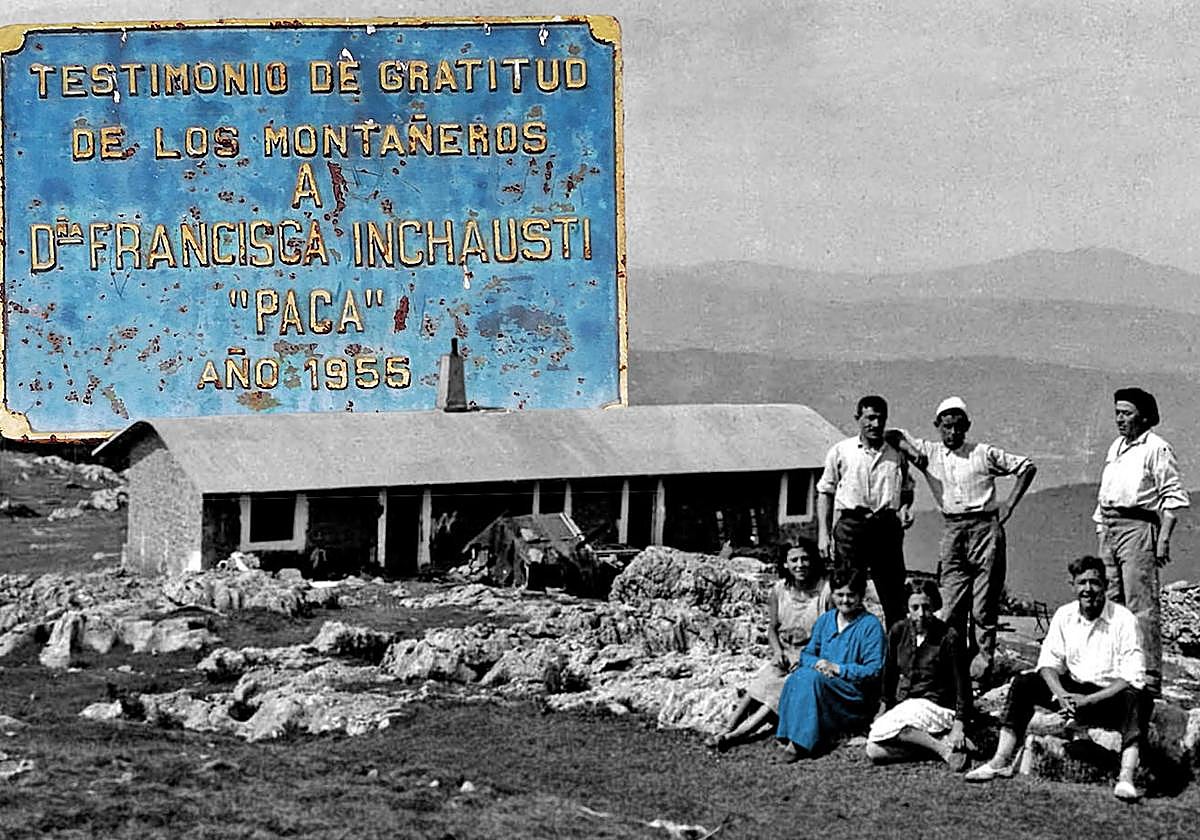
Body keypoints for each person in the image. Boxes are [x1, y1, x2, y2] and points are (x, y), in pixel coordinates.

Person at [965, 555, 1149, 801]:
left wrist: (1089, 700)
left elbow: (1131, 676)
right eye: (1082, 583)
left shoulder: (1124, 619)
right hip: (1072, 694)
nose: (1088, 589)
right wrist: (1061, 694)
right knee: (1023, 683)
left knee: (1138, 697)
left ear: (1105, 585)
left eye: (1094, 582)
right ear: (1072, 585)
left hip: (1110, 697)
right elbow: (1048, 664)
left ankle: (1126, 777)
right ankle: (999, 761)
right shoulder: (1065, 615)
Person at [893, 396, 1037, 685]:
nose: (952, 433)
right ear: (938, 426)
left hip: (985, 528)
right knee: (951, 603)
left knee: (984, 604)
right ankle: (951, 663)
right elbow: (893, 434)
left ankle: (982, 667)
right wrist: (911, 453)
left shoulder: (983, 453)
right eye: (946, 427)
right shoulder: (930, 453)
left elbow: (1026, 467)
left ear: (967, 426)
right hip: (952, 528)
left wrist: (1009, 503)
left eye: (958, 427)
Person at [1093, 387, 1188, 696]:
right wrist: (1100, 528)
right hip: (1110, 526)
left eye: (1126, 413)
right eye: (1117, 413)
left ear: (1144, 417)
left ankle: (1148, 677)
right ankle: (1116, 671)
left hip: (1138, 525)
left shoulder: (1156, 448)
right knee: (1110, 600)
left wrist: (1163, 540)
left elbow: (1172, 495)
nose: (1120, 419)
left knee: (1140, 603)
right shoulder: (1117, 446)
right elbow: (1106, 491)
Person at [711, 540, 830, 750]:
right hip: (784, 652)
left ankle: (736, 736)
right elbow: (772, 628)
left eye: (805, 559)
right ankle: (726, 728)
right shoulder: (779, 590)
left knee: (776, 695)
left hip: (809, 657)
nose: (800, 565)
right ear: (785, 564)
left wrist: (804, 658)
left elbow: (828, 636)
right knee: (759, 685)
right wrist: (777, 652)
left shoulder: (824, 592)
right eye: (794, 560)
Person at [816, 395, 914, 628]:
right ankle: (844, 644)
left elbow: (907, 487)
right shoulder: (842, 451)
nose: (875, 424)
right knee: (847, 590)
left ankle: (894, 655)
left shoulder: (896, 453)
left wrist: (906, 507)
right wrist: (823, 534)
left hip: (886, 526)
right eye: (869, 418)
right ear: (858, 419)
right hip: (851, 527)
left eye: (880, 419)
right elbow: (825, 491)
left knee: (893, 593)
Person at [775, 565, 887, 761]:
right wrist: (819, 664)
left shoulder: (870, 626)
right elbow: (808, 653)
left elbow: (874, 669)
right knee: (799, 676)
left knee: (810, 680)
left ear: (861, 596)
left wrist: (838, 669)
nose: (845, 600)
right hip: (825, 682)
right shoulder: (826, 620)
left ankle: (800, 743)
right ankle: (787, 734)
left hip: (853, 694)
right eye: (840, 595)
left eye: (851, 595)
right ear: (832, 595)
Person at [865, 578, 972, 771]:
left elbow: (963, 686)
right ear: (907, 607)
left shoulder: (949, 636)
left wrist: (959, 725)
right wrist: (883, 708)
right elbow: (889, 675)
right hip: (907, 705)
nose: (921, 614)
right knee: (874, 750)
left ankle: (943, 751)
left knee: (887, 729)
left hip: (937, 706)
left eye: (927, 607)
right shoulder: (899, 631)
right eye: (915, 607)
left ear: (935, 606)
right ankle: (932, 744)